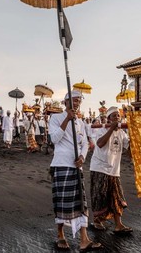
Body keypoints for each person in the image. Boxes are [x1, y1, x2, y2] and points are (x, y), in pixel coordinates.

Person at [48, 91, 102, 251]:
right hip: (61, 164)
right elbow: (54, 139)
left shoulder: (81, 122)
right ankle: (60, 235)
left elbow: (85, 143)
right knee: (62, 201)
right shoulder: (56, 118)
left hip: (76, 166)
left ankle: (84, 239)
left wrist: (82, 157)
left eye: (79, 101)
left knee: (81, 202)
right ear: (65, 102)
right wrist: (67, 119)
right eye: (74, 100)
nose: (77, 103)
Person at [89, 106, 132, 234]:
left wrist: (135, 137)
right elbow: (100, 143)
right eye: (114, 116)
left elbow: (129, 151)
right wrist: (111, 129)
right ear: (108, 119)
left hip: (114, 169)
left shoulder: (121, 133)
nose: (117, 118)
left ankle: (118, 225)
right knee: (100, 196)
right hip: (100, 168)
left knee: (116, 196)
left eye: (118, 116)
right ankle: (97, 221)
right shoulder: (101, 129)